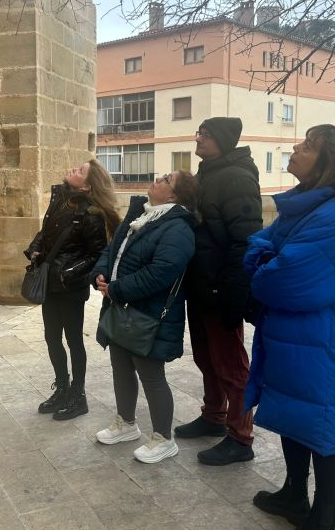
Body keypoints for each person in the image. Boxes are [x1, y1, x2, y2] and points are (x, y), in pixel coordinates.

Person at [244, 125, 335, 530]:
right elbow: (257, 246)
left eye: (307, 145)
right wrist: (267, 258)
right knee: (295, 413)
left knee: (323, 424)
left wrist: (266, 261)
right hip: (299, 330)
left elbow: (279, 278)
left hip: (329, 336)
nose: (296, 148)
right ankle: (293, 494)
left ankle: (325, 516)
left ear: (329, 160)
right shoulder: (304, 206)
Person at [91, 170, 198, 464]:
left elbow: (161, 273)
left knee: (151, 376)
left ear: (174, 195)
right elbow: (112, 249)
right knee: (121, 367)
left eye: (166, 179)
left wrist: (116, 289)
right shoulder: (143, 216)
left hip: (149, 315)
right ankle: (126, 423)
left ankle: (163, 438)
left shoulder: (177, 228)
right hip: (121, 307)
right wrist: (101, 274)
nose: (158, 179)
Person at [175, 117, 263, 465]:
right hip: (199, 285)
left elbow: (246, 240)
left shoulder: (237, 177)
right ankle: (214, 416)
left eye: (205, 134)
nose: (197, 138)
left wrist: (233, 290)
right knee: (205, 358)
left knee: (230, 364)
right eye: (199, 132)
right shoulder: (207, 173)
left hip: (219, 288)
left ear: (222, 141)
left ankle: (241, 437)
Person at [25, 160, 121, 420]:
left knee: (74, 340)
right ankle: (62, 388)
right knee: (51, 338)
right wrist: (34, 248)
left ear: (88, 185)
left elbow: (97, 255)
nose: (73, 170)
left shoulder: (91, 215)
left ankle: (78, 396)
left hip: (70, 286)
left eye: (80, 171)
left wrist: (67, 272)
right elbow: (45, 232)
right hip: (51, 284)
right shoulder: (60, 200)